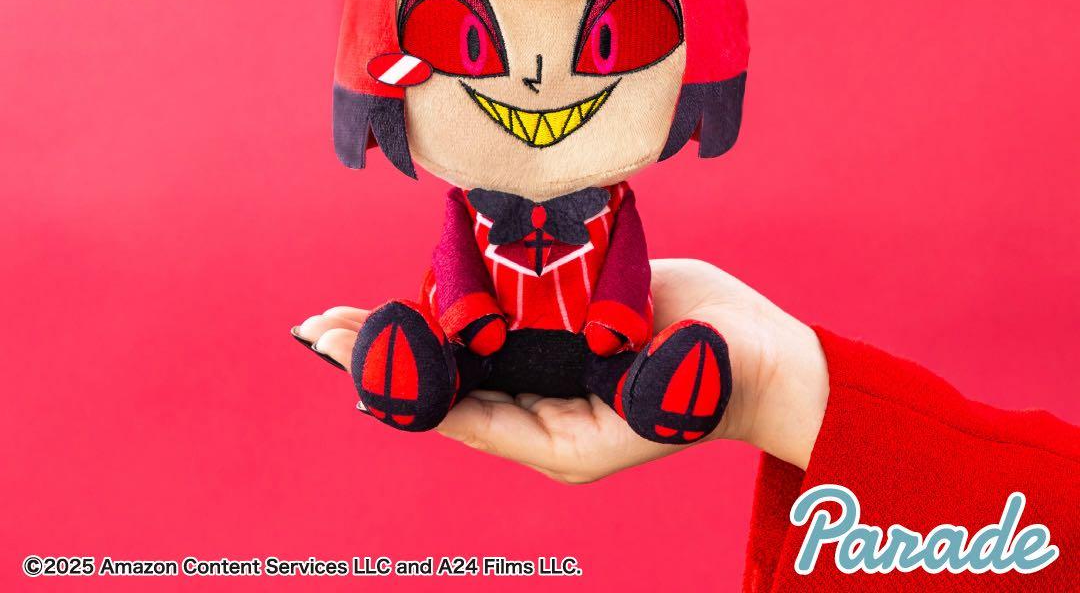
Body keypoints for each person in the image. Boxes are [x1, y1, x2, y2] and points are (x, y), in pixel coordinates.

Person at [294, 259, 1078, 589]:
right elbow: (453, 260)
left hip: (600, 343)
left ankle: (636, 379)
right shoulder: (469, 204)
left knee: (628, 364)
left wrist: (764, 384)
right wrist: (460, 314)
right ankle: (435, 360)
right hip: (488, 330)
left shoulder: (612, 208)